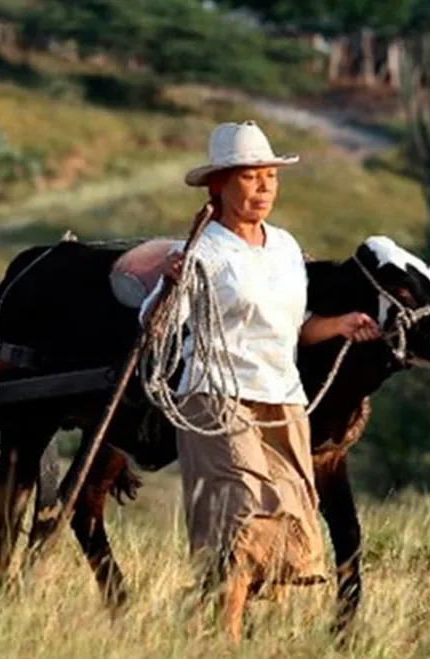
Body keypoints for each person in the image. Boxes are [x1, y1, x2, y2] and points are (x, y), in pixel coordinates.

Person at [135, 121, 383, 640]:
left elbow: (294, 329)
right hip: (216, 397)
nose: (264, 187)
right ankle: (221, 634)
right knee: (244, 506)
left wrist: (339, 326)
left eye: (270, 176)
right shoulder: (202, 252)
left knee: (291, 513)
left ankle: (221, 619)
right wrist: (169, 285)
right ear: (219, 186)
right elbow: (152, 323)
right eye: (251, 177)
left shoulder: (286, 248)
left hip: (283, 399)